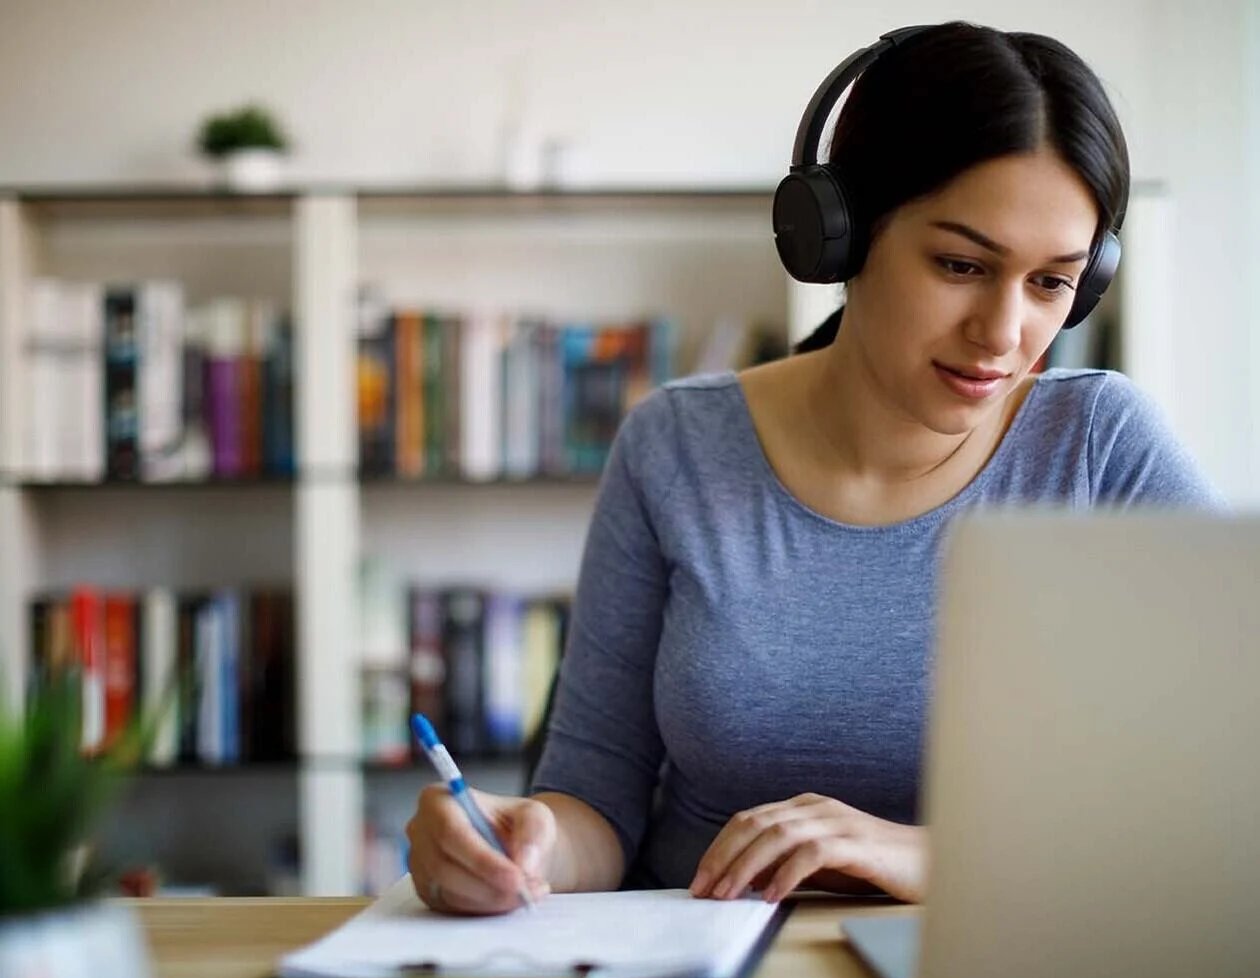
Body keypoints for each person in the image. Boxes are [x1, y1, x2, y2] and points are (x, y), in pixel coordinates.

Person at [405, 20, 1222, 915]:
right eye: (960, 264)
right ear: (838, 234)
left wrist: (931, 857)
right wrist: (519, 843)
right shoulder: (673, 447)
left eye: (1051, 283)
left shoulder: (1100, 450)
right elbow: (593, 800)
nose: (1004, 334)